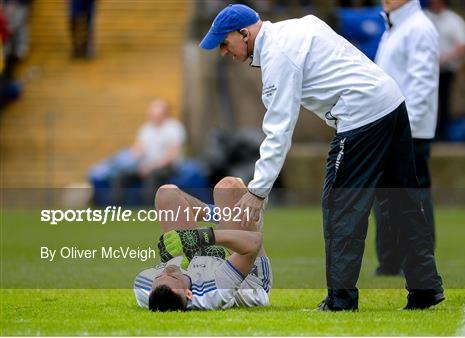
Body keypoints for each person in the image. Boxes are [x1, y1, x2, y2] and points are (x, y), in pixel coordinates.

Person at [199, 4, 443, 311]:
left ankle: (340, 301)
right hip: (391, 102)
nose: (223, 52)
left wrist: (257, 191)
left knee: (339, 205)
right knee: (401, 202)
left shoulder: (278, 55)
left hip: (362, 114)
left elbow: (279, 131)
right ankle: (425, 289)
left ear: (244, 33)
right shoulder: (294, 28)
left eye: (224, 43)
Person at [134, 176, 272, 311]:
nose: (166, 270)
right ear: (189, 294)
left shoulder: (145, 285)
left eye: (159, 275)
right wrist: (199, 237)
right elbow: (254, 242)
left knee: (166, 194)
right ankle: (235, 218)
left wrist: (175, 258)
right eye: (173, 275)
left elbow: (165, 274)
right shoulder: (214, 292)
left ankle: (216, 214)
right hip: (248, 276)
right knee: (228, 186)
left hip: (199, 265)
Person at [373, 0, 439, 276]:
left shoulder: (419, 27)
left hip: (408, 130)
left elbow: (422, 82)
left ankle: (417, 259)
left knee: (413, 196)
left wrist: (404, 129)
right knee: (388, 197)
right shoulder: (395, 27)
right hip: (391, 127)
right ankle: (391, 260)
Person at [111, 98, 186, 205]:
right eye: (152, 114)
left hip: (168, 167)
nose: (154, 117)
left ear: (165, 114)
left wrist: (151, 167)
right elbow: (137, 149)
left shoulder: (174, 127)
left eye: (157, 114)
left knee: (152, 176)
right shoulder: (146, 128)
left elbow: (171, 155)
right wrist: (136, 160)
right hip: (146, 166)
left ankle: (149, 208)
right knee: (121, 175)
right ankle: (115, 207)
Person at [425, 0, 465, 140]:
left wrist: (445, 58)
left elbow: (463, 44)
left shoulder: (454, 20)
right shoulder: (424, 17)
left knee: (443, 100)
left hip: (446, 70)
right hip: (427, 69)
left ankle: (442, 133)